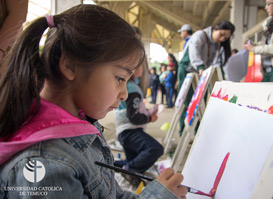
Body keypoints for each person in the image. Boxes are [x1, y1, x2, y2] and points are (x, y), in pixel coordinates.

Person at [0, 4, 187, 199]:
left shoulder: (82, 125)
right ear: (70, 65)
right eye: (120, 78)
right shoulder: (44, 165)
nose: (124, 94)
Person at [177, 20, 235, 135]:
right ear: (216, 28)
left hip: (201, 73)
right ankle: (183, 131)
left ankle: (198, 132)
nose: (223, 38)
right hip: (188, 71)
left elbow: (212, 62)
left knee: (200, 102)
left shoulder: (217, 44)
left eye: (226, 37)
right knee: (187, 102)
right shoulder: (200, 35)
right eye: (222, 34)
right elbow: (195, 53)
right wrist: (200, 67)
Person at [114, 63, 164, 186]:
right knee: (155, 149)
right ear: (134, 69)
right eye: (141, 66)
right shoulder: (132, 89)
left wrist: (146, 112)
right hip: (129, 131)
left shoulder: (130, 86)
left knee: (133, 160)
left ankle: (123, 167)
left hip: (125, 131)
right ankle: (129, 170)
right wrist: (150, 118)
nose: (143, 69)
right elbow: (134, 117)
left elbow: (132, 110)